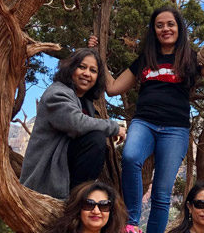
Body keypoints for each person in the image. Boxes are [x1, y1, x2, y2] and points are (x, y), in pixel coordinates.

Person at [101, 6, 204, 233]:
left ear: (179, 28)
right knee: (131, 157)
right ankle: (132, 223)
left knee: (161, 194)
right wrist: (98, 58)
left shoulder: (189, 59)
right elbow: (112, 88)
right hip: (144, 122)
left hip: (175, 129)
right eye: (159, 25)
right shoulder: (146, 59)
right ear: (153, 30)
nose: (165, 29)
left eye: (170, 24)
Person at [20, 49, 126, 199]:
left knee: (96, 140)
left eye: (93, 70)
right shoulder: (56, 93)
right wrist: (114, 127)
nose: (87, 73)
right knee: (95, 139)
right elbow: (76, 123)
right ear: (70, 68)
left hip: (63, 176)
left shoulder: (85, 102)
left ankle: (79, 199)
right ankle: (76, 200)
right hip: (44, 182)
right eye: (82, 67)